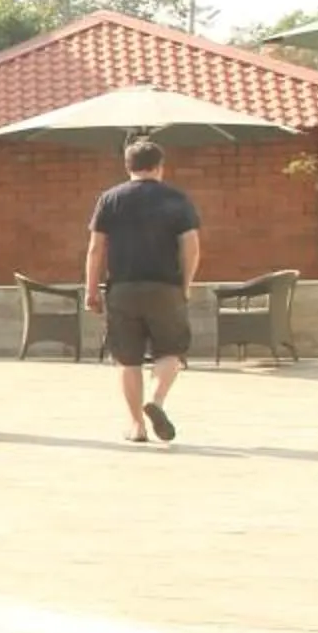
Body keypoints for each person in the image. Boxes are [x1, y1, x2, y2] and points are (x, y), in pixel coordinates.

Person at [85, 137, 203, 444]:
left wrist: (91, 291)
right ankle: (157, 399)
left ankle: (137, 425)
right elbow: (191, 247)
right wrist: (185, 285)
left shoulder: (110, 199)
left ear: (128, 167)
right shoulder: (177, 199)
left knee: (128, 359)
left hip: (122, 288)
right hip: (165, 287)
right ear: (160, 167)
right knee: (171, 351)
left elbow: (96, 248)